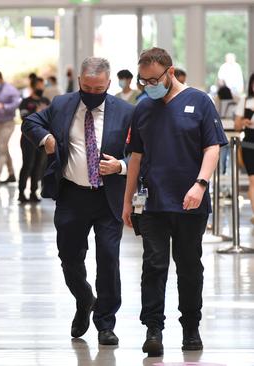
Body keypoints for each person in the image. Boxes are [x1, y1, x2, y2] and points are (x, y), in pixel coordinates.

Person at [122, 47, 227, 357]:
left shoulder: (199, 102)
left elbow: (212, 148)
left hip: (190, 202)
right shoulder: (142, 108)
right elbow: (136, 158)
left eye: (154, 79)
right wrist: (128, 202)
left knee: (189, 266)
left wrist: (200, 184)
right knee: (153, 265)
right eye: (143, 81)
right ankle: (153, 328)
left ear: (169, 72)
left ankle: (191, 326)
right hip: (152, 203)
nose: (148, 85)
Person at [22, 57, 134, 346]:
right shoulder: (62, 104)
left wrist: (121, 166)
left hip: (108, 197)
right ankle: (85, 299)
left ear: (108, 84)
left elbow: (141, 152)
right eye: (87, 86)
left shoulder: (126, 112)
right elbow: (31, 121)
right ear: (80, 82)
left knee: (109, 259)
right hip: (72, 196)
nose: (92, 92)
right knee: (70, 258)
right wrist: (45, 137)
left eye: (98, 88)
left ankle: (106, 323)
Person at [17, 76, 50, 203]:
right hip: (28, 139)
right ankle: (21, 192)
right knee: (28, 164)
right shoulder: (26, 102)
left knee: (39, 165)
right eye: (39, 85)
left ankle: (33, 192)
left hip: (43, 138)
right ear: (33, 86)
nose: (41, 88)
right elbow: (23, 117)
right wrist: (37, 112)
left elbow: (51, 117)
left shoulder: (46, 101)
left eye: (43, 85)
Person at [234, 73, 254, 223]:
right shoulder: (245, 101)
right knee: (252, 180)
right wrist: (244, 121)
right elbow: (236, 125)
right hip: (249, 143)